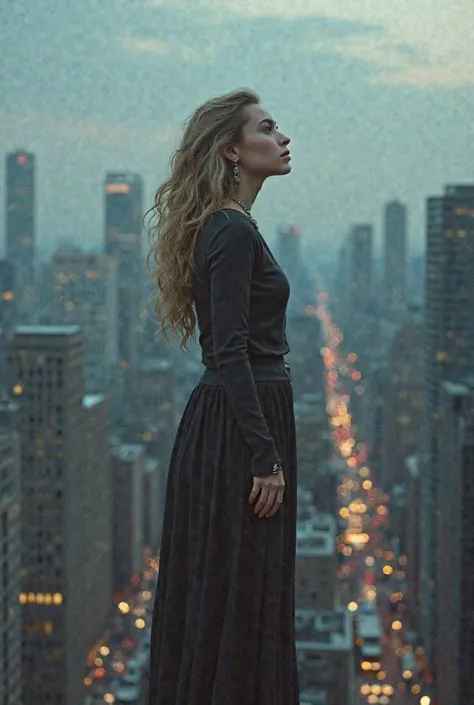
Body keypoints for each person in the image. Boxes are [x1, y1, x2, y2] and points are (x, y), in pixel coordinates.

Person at [146, 88, 299, 705]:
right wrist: (264, 457)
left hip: (240, 418)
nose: (283, 138)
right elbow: (230, 350)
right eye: (268, 128)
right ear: (232, 149)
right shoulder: (231, 231)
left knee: (235, 585)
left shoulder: (230, 226)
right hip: (243, 427)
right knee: (241, 587)